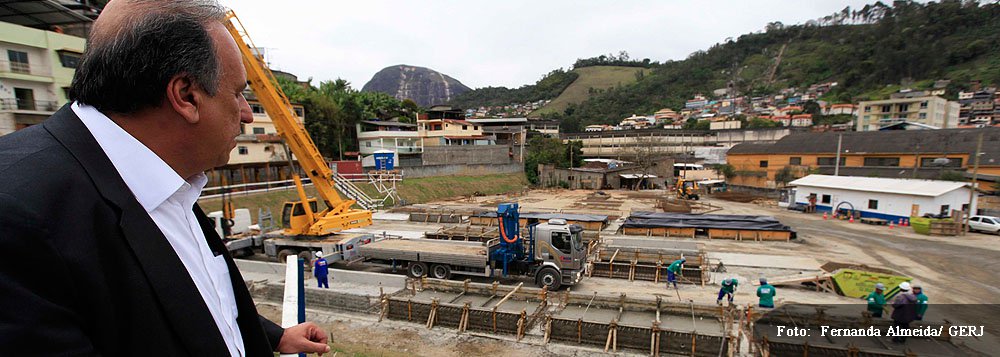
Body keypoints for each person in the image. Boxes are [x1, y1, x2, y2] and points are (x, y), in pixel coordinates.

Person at [0, 1, 329, 355]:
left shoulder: (167, 179)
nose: (247, 114)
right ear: (186, 95)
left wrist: (272, 336)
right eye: (237, 94)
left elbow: (191, 295)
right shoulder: (19, 218)